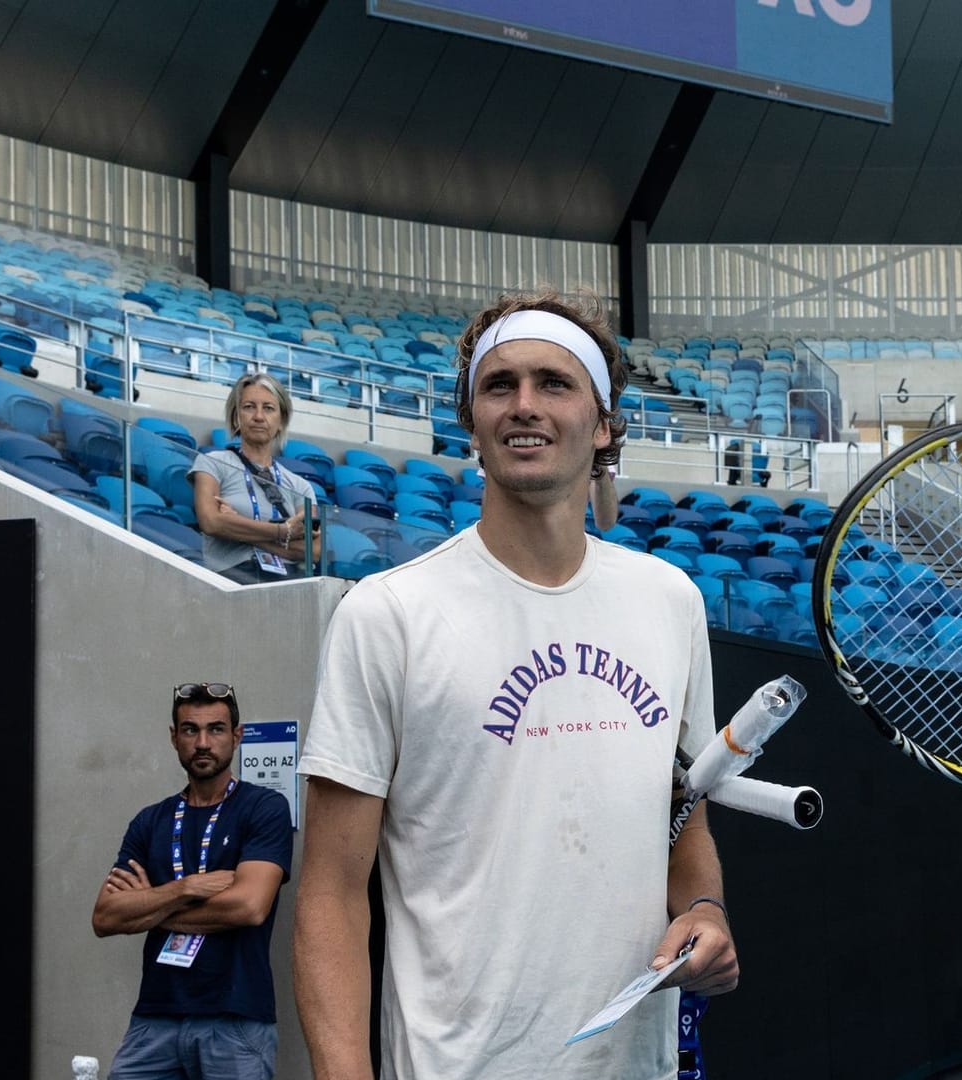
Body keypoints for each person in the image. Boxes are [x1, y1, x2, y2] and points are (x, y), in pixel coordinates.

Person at [294, 289, 737, 1080]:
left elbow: (684, 813)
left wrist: (704, 909)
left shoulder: (671, 602)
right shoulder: (387, 614)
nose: (523, 406)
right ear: (471, 419)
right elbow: (330, 894)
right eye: (499, 386)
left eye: (553, 383)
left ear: (603, 423)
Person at [91, 681, 294, 1080]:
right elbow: (106, 917)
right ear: (174, 738)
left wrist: (149, 906)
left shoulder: (264, 808)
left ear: (236, 736)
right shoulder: (150, 822)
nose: (203, 742)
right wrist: (183, 889)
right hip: (154, 1019)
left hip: (235, 1020)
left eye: (216, 729)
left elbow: (249, 906)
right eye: (190, 730)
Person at [190, 373, 322, 584]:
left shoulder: (300, 486)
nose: (259, 416)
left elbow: (313, 550)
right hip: (231, 581)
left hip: (289, 585)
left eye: (268, 408)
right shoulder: (212, 463)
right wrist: (284, 532)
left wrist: (236, 526)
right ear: (236, 417)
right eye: (249, 406)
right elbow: (212, 522)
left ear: (281, 421)